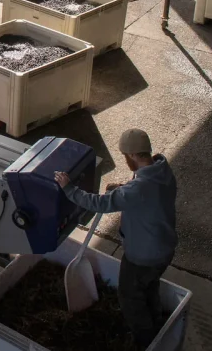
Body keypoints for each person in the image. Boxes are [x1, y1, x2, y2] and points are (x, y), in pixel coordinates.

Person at [54, 129, 177, 349]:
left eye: (124, 156)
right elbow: (144, 195)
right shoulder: (162, 171)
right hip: (164, 249)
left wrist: (69, 189)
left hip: (143, 255)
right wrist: (121, 189)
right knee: (148, 288)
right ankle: (158, 325)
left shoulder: (138, 189)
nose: (125, 161)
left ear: (132, 156)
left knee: (129, 296)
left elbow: (100, 204)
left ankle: (145, 342)